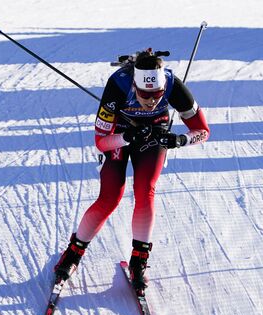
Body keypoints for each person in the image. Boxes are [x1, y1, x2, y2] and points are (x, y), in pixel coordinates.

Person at [54, 48, 210, 296]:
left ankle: (139, 260)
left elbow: (203, 131)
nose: (152, 101)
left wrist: (179, 140)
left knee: (145, 190)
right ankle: (73, 252)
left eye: (158, 95)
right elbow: (101, 142)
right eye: (145, 95)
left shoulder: (172, 84)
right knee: (110, 197)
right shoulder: (118, 85)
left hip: (154, 135)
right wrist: (126, 136)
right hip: (118, 135)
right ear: (135, 85)